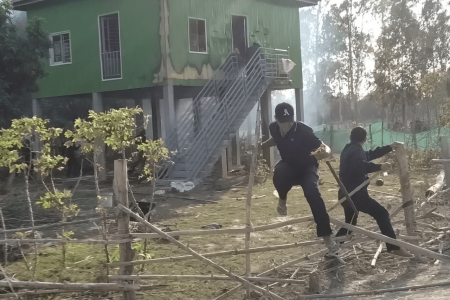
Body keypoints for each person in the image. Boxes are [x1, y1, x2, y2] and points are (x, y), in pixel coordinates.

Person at [261, 102, 340, 256]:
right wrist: (261, 146)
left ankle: (327, 237)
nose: (287, 126)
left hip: (307, 167)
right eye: (283, 123)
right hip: (289, 166)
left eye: (289, 122)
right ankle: (282, 199)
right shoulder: (274, 128)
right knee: (279, 171)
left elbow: (325, 147)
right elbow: (275, 139)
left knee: (312, 192)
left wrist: (325, 153)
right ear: (277, 120)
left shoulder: (303, 130)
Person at [335, 126, 413, 258]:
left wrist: (388, 147)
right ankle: (394, 247)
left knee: (350, 224)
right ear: (365, 138)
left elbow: (369, 155)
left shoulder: (349, 148)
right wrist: (379, 166)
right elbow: (360, 165)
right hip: (356, 195)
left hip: (346, 194)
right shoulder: (356, 151)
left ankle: (333, 248)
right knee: (382, 214)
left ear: (351, 137)